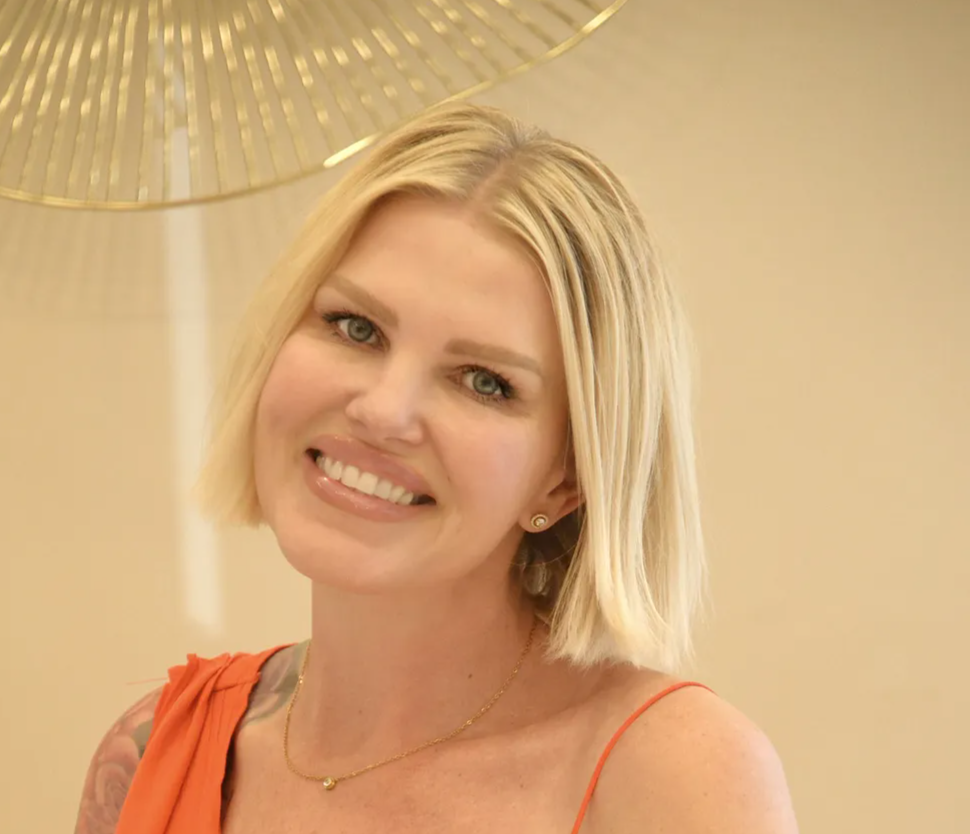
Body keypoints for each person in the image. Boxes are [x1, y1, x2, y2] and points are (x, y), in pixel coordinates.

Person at [74, 103, 798, 833]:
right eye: (355, 327)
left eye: (484, 380)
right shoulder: (150, 752)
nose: (384, 412)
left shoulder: (679, 778)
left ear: (566, 479)